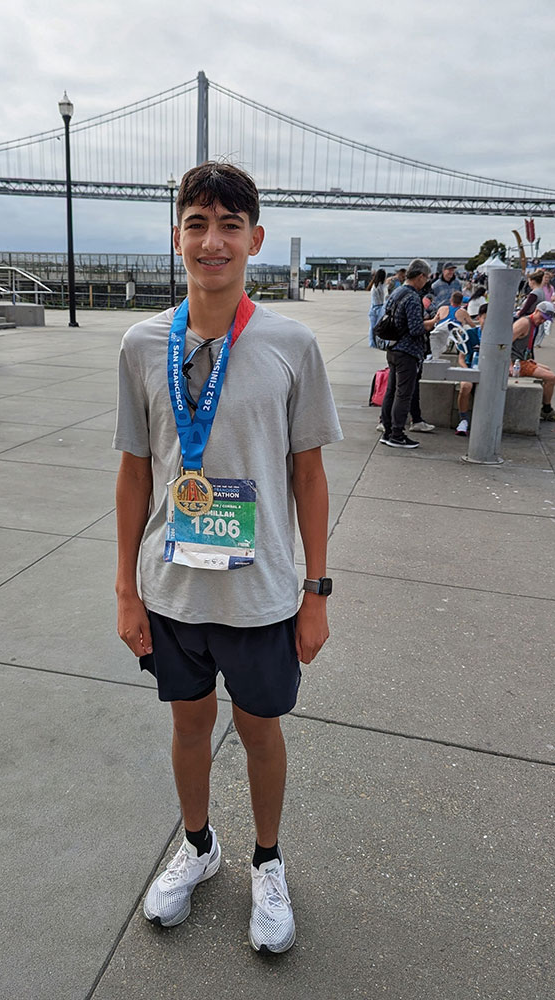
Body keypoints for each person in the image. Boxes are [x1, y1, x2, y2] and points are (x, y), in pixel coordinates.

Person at [113, 161, 342, 954]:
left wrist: (316, 590)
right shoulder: (143, 344)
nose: (213, 241)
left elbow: (309, 474)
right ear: (177, 236)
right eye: (197, 224)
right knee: (187, 724)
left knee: (260, 729)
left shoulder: (290, 343)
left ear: (256, 239)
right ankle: (200, 845)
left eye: (229, 226)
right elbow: (135, 469)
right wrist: (124, 588)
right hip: (171, 587)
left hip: (262, 592)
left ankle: (267, 863)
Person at [380, 258, 433, 448]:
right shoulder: (412, 297)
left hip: (393, 348)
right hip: (407, 351)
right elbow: (416, 329)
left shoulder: (397, 292)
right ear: (420, 276)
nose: (426, 281)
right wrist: (433, 322)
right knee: (403, 395)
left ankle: (387, 431)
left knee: (391, 392)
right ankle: (397, 434)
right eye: (426, 277)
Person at [511, 300, 555, 421]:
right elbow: (507, 342)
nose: (542, 321)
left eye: (545, 320)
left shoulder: (533, 324)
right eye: (541, 317)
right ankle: (546, 409)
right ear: (536, 311)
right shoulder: (524, 323)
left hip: (523, 359)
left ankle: (543, 403)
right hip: (516, 362)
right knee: (551, 377)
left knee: (547, 370)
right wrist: (509, 363)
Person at [455, 303, 486, 436]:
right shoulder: (470, 334)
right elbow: (461, 358)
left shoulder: (498, 338)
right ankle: (463, 420)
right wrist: (466, 369)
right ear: (478, 318)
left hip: (488, 372)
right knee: (466, 386)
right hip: (470, 369)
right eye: (485, 318)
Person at [367, 268, 386, 347]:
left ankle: (373, 343)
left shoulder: (376, 285)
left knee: (373, 327)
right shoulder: (378, 286)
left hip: (375, 307)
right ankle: (373, 343)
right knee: (375, 327)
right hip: (377, 308)